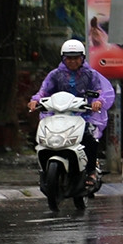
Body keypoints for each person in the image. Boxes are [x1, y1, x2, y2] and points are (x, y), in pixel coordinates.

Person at [28, 39, 115, 183]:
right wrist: (35, 100)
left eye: (76, 58)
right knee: (45, 137)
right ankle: (44, 171)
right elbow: (44, 90)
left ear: (82, 58)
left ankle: (91, 171)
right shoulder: (55, 75)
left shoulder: (91, 75)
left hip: (84, 116)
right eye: (69, 58)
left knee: (90, 139)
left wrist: (98, 102)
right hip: (59, 115)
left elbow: (99, 92)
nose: (72, 61)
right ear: (63, 58)